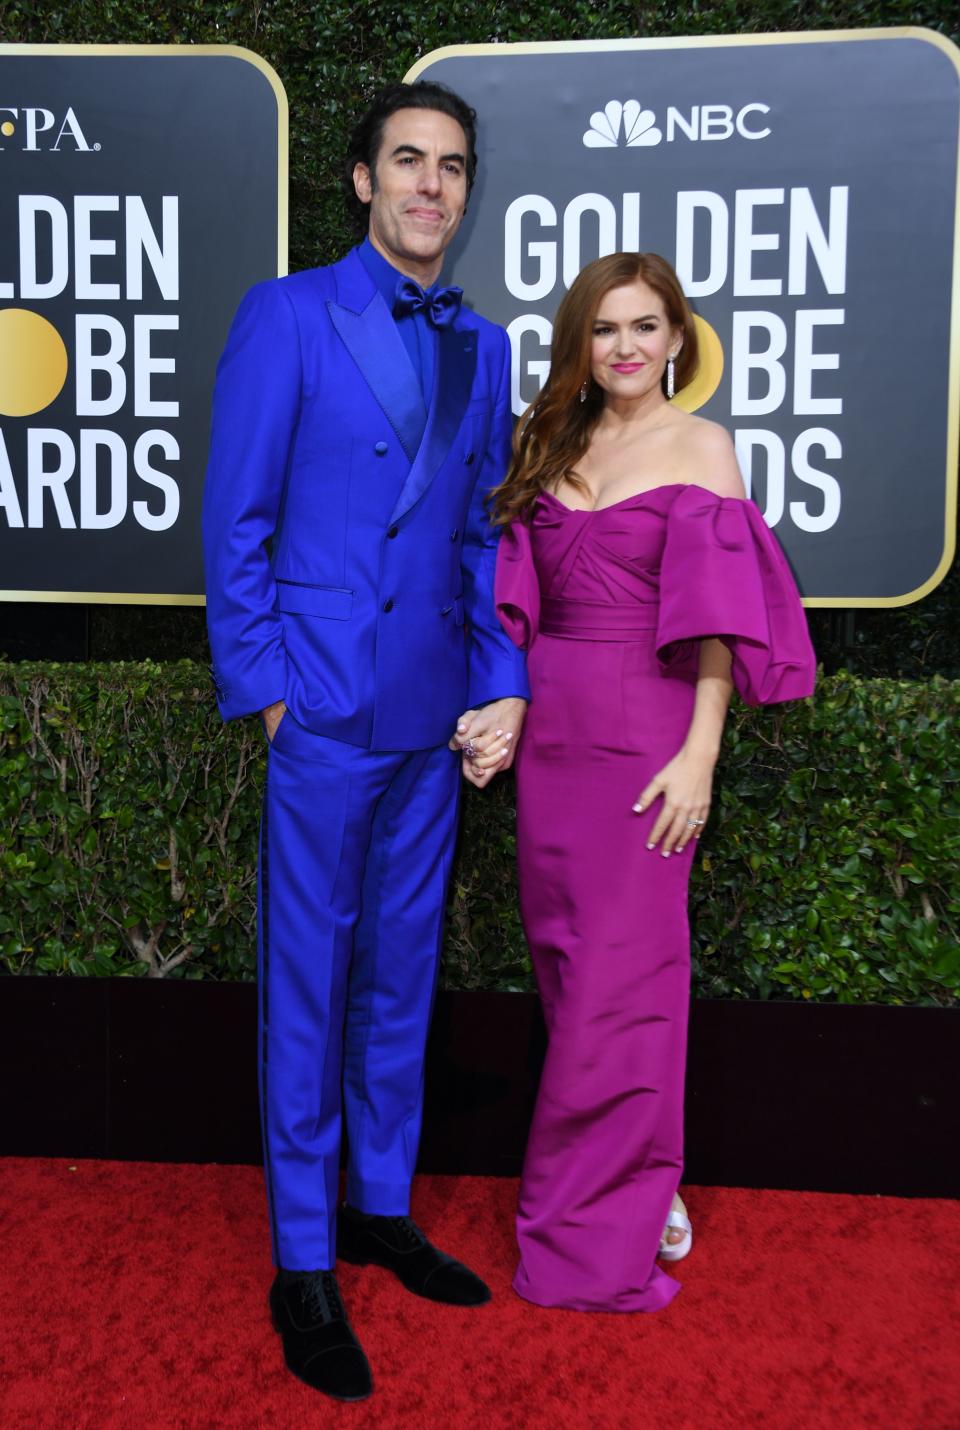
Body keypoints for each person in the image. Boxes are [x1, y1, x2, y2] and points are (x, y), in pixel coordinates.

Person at [202, 80, 528, 1400]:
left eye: (451, 166)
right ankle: (301, 1255)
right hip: (326, 710)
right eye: (408, 160)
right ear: (359, 180)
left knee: (403, 971)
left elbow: (480, 539)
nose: (430, 186)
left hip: (432, 716)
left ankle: (379, 1207)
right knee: (309, 981)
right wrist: (275, 692)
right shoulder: (287, 316)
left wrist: (500, 677)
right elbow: (236, 524)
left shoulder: (486, 344)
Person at [485, 251, 815, 1313]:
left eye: (644, 326)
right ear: (581, 342)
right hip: (554, 738)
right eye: (603, 328)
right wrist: (502, 705)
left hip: (651, 731)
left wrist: (701, 753)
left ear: (678, 337)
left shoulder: (702, 446)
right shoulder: (550, 437)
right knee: (570, 972)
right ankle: (645, 1172)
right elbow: (512, 592)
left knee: (622, 992)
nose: (624, 347)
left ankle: (590, 1227)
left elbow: (719, 616)